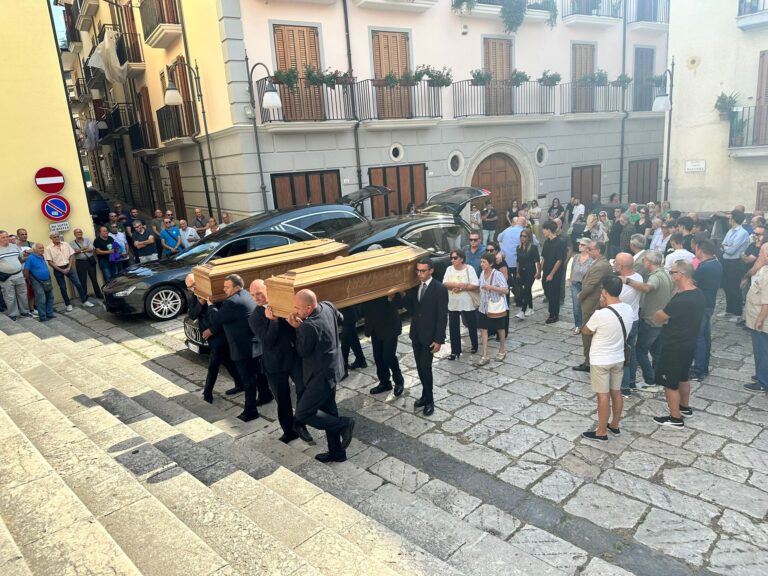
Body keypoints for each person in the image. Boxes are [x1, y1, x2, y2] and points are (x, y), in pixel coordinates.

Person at [288, 289, 355, 463]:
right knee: (328, 412)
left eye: (297, 307)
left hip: (320, 376)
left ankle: (344, 424)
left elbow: (302, 351)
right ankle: (337, 453)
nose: (295, 311)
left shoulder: (308, 326)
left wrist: (298, 328)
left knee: (303, 413)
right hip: (333, 368)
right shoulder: (327, 305)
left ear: (309, 308)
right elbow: (340, 319)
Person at [249, 279, 311, 443]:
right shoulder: (255, 316)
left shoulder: (283, 304)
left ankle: (299, 422)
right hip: (274, 363)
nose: (257, 298)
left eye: (260, 293)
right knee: (282, 399)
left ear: (268, 291)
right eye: (253, 295)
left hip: (293, 357)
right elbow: (268, 341)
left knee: (303, 388)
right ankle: (289, 432)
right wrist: (273, 321)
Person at [203, 274, 270, 422]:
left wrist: (211, 305)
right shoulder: (245, 294)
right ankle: (266, 395)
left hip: (242, 347)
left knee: (248, 380)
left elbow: (216, 319)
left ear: (236, 287)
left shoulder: (232, 302)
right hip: (254, 344)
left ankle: (251, 411)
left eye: (227, 287)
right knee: (258, 374)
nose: (224, 289)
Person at [652, 261, 706, 428]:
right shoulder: (698, 294)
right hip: (689, 343)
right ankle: (684, 407)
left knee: (669, 383)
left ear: (680, 275)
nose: (671, 275)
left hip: (674, 345)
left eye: (672, 272)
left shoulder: (681, 300)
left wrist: (658, 313)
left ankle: (675, 418)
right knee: (683, 377)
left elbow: (660, 316)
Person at [581, 275, 633, 442]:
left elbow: (586, 330)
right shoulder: (628, 309)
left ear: (604, 292)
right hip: (618, 357)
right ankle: (615, 424)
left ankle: (601, 431)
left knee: (602, 396)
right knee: (616, 392)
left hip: (601, 359)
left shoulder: (600, 314)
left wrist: (601, 306)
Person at [184, 274, 242, 404]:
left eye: (194, 285)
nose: (193, 288)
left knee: (214, 364)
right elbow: (192, 314)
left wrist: (212, 330)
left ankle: (207, 391)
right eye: (190, 287)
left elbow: (223, 317)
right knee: (227, 360)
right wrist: (200, 303)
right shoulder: (194, 296)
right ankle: (240, 383)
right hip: (209, 336)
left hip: (219, 334)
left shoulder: (214, 294)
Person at [403, 258, 448, 416]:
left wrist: (438, 339)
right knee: (420, 368)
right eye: (418, 270)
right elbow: (412, 308)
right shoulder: (416, 287)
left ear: (431, 271)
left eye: (423, 271)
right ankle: (424, 395)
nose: (419, 274)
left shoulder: (439, 289)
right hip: (416, 334)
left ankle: (430, 401)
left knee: (425, 368)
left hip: (430, 337)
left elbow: (442, 317)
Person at [625, 251, 673, 391]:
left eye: (644, 260)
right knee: (656, 352)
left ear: (649, 262)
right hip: (661, 320)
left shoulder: (656, 277)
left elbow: (648, 287)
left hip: (651, 320)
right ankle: (657, 379)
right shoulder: (666, 274)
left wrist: (627, 281)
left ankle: (650, 380)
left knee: (640, 351)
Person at [575, 241, 613, 372]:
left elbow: (591, 285)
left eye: (590, 249)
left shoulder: (600, 265)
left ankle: (589, 363)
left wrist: (580, 296)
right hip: (592, 302)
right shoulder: (598, 262)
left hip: (592, 303)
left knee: (587, 333)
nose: (588, 250)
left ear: (599, 250)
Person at [690, 239, 723, 381]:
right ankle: (703, 367)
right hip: (709, 303)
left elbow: (692, 283)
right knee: (704, 336)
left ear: (700, 250)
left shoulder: (704, 267)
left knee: (698, 337)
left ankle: (698, 370)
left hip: (701, 305)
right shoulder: (716, 263)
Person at [363, 290, 405, 397]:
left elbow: (400, 305)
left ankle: (399, 380)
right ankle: (385, 382)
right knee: (378, 356)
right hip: (374, 325)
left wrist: (391, 298)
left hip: (389, 324)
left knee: (388, 355)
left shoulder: (388, 281)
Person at [443, 248, 480, 360]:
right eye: (451, 258)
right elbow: (445, 283)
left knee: (471, 324)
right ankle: (455, 351)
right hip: (453, 303)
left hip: (467, 302)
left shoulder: (469, 269)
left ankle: (474, 345)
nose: (452, 260)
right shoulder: (449, 269)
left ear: (462, 258)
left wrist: (460, 287)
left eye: (455, 258)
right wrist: (460, 284)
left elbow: (475, 285)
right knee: (453, 327)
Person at [615, 253, 642, 397]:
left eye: (616, 263)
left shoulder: (621, 285)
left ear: (620, 266)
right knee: (632, 350)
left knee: (623, 353)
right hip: (634, 319)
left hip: (623, 321)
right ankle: (632, 381)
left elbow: (611, 300)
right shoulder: (638, 277)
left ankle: (624, 387)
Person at [45, 232, 94, 312]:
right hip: (58, 269)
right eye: (55, 237)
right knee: (63, 288)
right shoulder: (48, 248)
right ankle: (68, 304)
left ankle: (84, 301)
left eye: (58, 236)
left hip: (68, 266)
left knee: (78, 284)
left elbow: (71, 255)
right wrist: (61, 270)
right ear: (51, 238)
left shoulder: (65, 244)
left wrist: (69, 267)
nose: (57, 238)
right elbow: (50, 262)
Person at [476, 252, 509, 365]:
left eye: (484, 262)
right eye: (481, 262)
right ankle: (485, 355)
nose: (481, 264)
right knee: (483, 329)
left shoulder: (497, 274)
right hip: (484, 307)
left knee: (500, 328)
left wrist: (491, 287)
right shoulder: (482, 273)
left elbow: (506, 290)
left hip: (495, 307)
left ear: (490, 264)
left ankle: (502, 350)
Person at [743, 243, 768, 392]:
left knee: (762, 350)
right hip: (757, 317)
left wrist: (759, 320)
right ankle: (761, 373)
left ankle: (763, 380)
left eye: (761, 253)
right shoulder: (763, 269)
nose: (759, 256)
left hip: (762, 320)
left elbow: (766, 301)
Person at [720, 210, 751, 320]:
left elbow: (731, 250)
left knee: (734, 287)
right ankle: (729, 310)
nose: (729, 219)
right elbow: (723, 244)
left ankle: (737, 313)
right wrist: (726, 246)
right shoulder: (730, 231)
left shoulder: (742, 233)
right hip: (727, 262)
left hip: (736, 262)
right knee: (726, 286)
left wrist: (726, 247)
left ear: (733, 219)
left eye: (730, 218)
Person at [540, 220, 567, 324]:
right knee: (546, 290)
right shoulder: (547, 242)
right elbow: (544, 257)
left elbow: (559, 260)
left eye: (544, 229)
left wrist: (551, 274)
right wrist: (540, 271)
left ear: (549, 230)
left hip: (555, 273)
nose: (543, 231)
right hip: (546, 271)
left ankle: (554, 314)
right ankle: (552, 311)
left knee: (554, 293)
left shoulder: (559, 243)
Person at [0, 230, 31, 321]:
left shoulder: (14, 246)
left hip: (19, 274)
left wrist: (28, 254)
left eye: (7, 236)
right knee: (9, 296)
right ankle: (13, 314)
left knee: (22, 294)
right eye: (3, 237)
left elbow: (20, 258)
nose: (6, 239)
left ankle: (24, 312)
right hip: (6, 277)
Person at [23, 243, 55, 322]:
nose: (42, 249)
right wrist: (29, 280)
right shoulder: (30, 258)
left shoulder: (42, 256)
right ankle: (43, 317)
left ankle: (49, 314)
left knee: (50, 297)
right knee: (41, 299)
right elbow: (26, 271)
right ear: (34, 249)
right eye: (40, 248)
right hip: (36, 281)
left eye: (42, 247)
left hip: (47, 280)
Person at [568, 237, 593, 335]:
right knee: (576, 305)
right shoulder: (576, 257)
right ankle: (578, 325)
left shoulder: (591, 259)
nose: (579, 246)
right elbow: (572, 268)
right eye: (579, 244)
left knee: (587, 306)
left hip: (586, 284)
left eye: (582, 245)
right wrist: (570, 278)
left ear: (587, 247)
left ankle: (587, 325)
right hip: (575, 283)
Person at [70, 228, 103, 299]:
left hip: (89, 260)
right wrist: (83, 249)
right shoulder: (72, 243)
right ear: (74, 234)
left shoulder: (87, 240)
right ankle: (84, 296)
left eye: (80, 232)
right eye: (77, 232)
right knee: (82, 280)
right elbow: (74, 252)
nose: (79, 233)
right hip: (80, 263)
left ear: (82, 233)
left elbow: (91, 249)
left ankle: (98, 294)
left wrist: (80, 250)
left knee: (94, 278)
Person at [515, 229, 541, 319]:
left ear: (529, 237)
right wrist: (517, 272)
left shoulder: (533, 248)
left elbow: (537, 261)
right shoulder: (518, 248)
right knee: (527, 290)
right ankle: (530, 308)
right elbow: (518, 261)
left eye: (524, 236)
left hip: (531, 272)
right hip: (522, 272)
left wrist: (538, 272)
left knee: (526, 289)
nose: (522, 238)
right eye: (521, 236)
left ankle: (523, 310)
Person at [340, 304, 367, 377]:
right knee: (352, 337)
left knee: (345, 341)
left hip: (348, 312)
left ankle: (343, 370)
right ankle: (360, 360)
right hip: (348, 312)